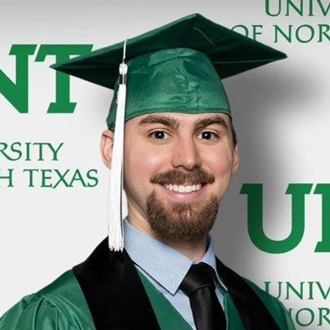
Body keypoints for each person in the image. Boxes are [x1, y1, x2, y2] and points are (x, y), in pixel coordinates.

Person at [0, 13, 295, 330]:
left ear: (234, 154)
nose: (187, 159)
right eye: (159, 134)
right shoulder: (56, 317)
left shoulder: (269, 315)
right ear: (112, 151)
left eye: (208, 134)